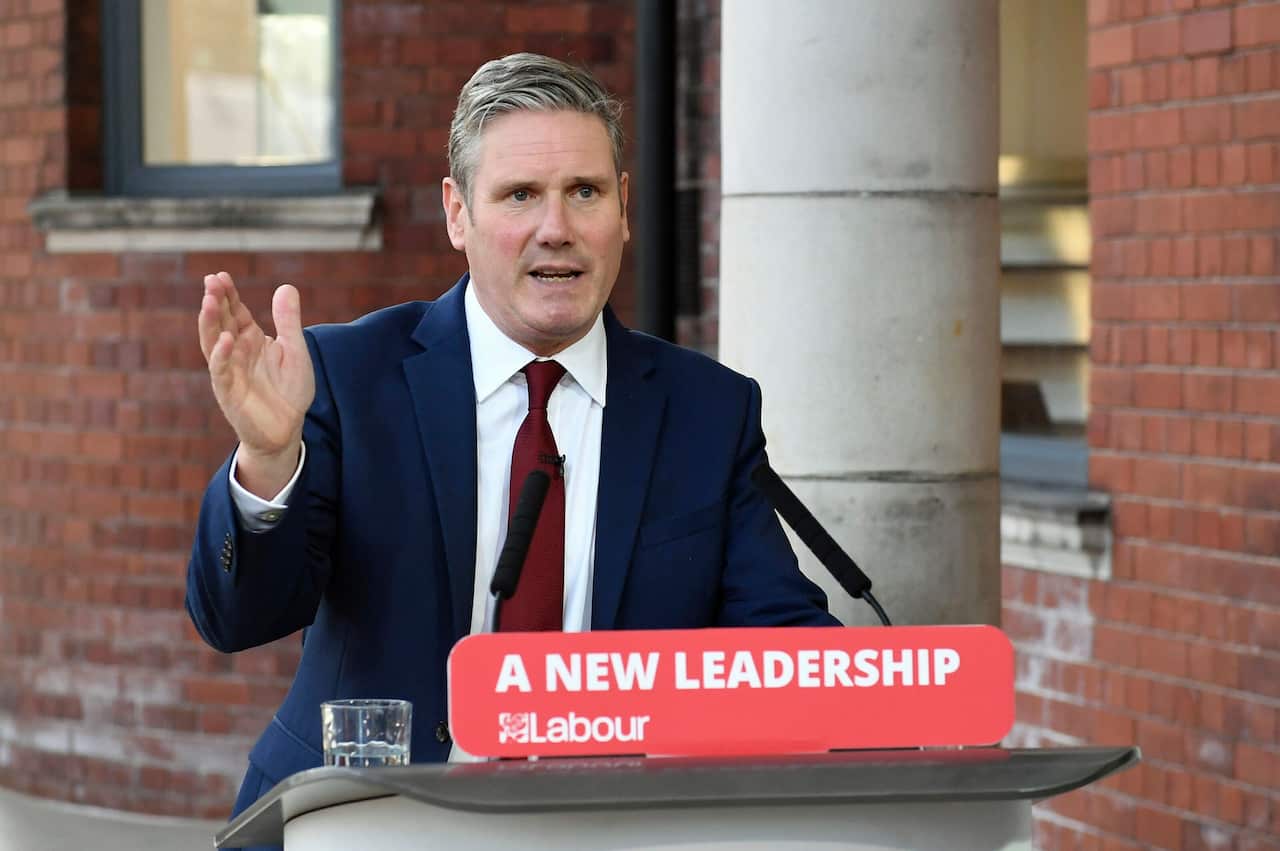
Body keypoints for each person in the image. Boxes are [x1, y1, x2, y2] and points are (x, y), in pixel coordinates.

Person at [187, 52, 839, 832]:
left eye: (585, 192)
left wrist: (887, 699)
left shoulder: (707, 410)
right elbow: (238, 619)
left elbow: (787, 654)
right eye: (520, 195)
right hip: (366, 820)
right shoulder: (351, 378)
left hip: (615, 831)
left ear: (624, 209)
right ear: (458, 213)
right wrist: (265, 460)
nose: (555, 229)